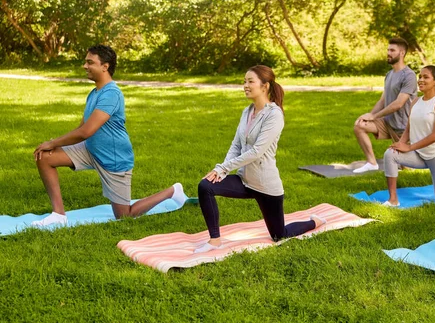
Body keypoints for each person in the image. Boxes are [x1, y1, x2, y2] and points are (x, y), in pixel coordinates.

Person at [32, 45, 185, 226]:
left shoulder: (112, 94)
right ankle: (59, 214)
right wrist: (55, 146)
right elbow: (82, 127)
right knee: (45, 157)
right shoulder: (95, 93)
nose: (85, 66)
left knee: (123, 215)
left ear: (105, 66)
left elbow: (86, 132)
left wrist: (52, 142)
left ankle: (172, 191)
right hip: (90, 149)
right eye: (85, 62)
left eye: (90, 62)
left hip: (113, 158)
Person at [195, 65, 326, 253]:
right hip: (244, 181)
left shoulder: (274, 115)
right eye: (244, 81)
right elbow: (236, 145)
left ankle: (314, 221)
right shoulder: (247, 112)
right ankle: (215, 240)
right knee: (205, 186)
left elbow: (257, 151)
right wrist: (221, 169)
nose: (245, 85)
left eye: (250, 81)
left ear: (264, 86)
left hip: (266, 186)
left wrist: (224, 168)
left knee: (279, 235)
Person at [382, 65, 435, 206]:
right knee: (390, 154)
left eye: (426, 77)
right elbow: (409, 127)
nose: (421, 80)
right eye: (420, 77)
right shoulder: (416, 101)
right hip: (419, 154)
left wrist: (410, 147)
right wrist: (401, 143)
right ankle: (393, 200)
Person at [353, 37, 418, 173]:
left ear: (401, 53)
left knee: (408, 170)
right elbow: (383, 100)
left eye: (392, 50)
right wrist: (370, 115)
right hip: (388, 122)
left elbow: (398, 104)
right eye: (388, 50)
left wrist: (375, 116)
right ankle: (372, 163)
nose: (388, 53)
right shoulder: (389, 74)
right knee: (359, 125)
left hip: (403, 127)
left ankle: (406, 162)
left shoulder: (409, 76)